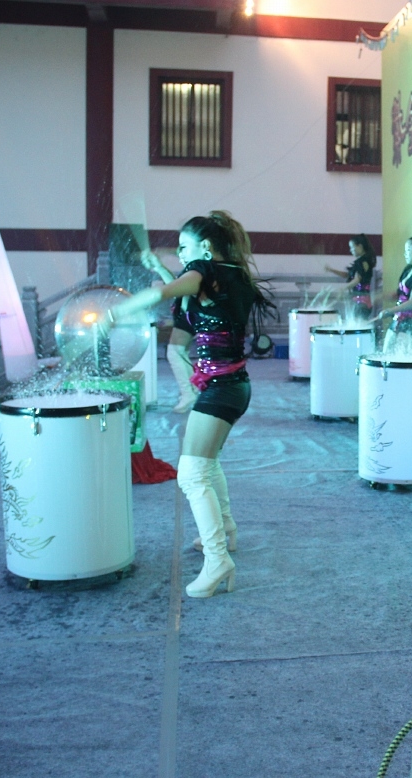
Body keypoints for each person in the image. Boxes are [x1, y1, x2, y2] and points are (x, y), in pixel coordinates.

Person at [106, 211, 276, 598]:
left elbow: (166, 293)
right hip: (233, 386)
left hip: (221, 389)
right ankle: (225, 529)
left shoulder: (204, 270)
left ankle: (218, 561)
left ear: (206, 247)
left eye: (184, 247)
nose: (181, 254)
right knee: (206, 464)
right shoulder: (233, 274)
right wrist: (163, 270)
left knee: (191, 474)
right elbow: (182, 290)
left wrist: (118, 311)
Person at [140, 251, 200, 414]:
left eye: (184, 248)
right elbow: (175, 285)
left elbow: (177, 289)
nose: (181, 254)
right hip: (187, 314)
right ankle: (193, 390)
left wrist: (159, 267)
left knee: (175, 352)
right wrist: (159, 267)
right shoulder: (194, 268)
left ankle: (189, 393)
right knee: (179, 353)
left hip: (188, 314)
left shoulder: (198, 268)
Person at [376, 236, 412, 350]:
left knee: (403, 354)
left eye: (408, 250)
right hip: (399, 316)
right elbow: (400, 293)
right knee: (387, 349)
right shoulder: (408, 269)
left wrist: (389, 311)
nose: (405, 254)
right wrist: (379, 296)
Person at [324, 235, 376, 321]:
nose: (350, 250)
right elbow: (348, 275)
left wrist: (343, 288)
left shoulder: (362, 261)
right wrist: (331, 270)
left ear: (360, 246)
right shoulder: (362, 261)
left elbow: (357, 279)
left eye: (352, 247)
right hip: (361, 300)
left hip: (361, 300)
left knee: (358, 324)